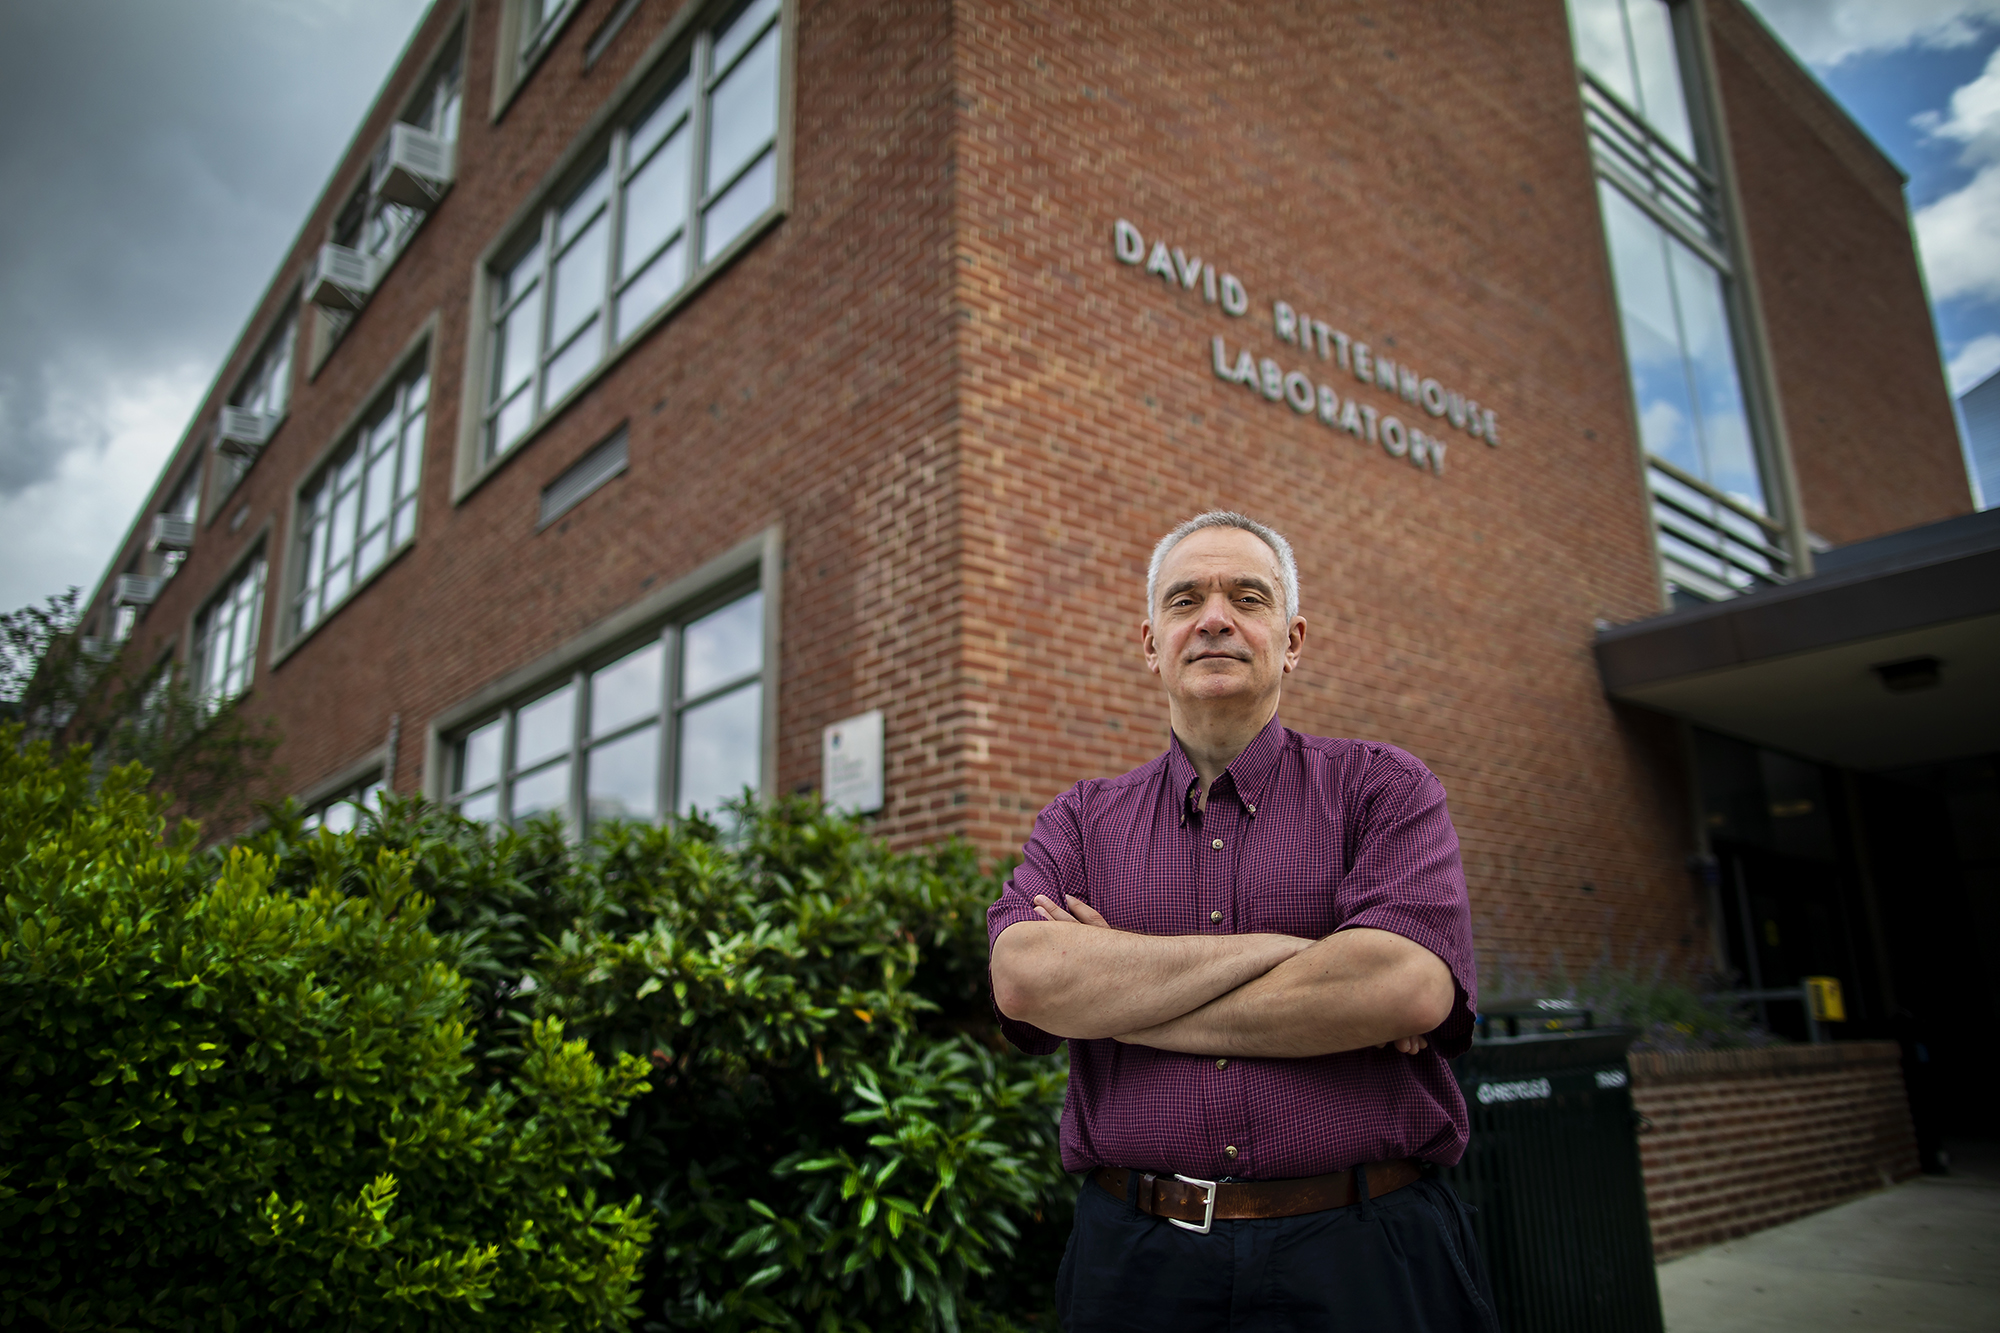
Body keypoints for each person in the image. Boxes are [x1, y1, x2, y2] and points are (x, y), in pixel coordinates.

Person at [987, 510, 1496, 1332]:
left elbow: (1403, 984)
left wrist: (1121, 983)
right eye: (1185, 598)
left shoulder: (1384, 788)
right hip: (1136, 1264)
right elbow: (1024, 977)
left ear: (1290, 639)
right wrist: (1308, 957)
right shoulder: (1079, 820)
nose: (1214, 617)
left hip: (1366, 1253)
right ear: (1151, 642)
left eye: (1246, 596)